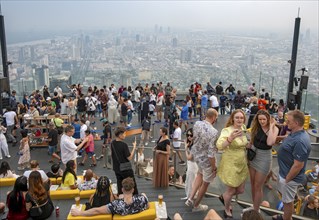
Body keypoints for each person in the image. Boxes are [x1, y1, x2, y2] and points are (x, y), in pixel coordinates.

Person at [275, 110, 311, 220]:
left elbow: (298, 165)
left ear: (296, 123)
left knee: (287, 202)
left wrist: (287, 179)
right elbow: (287, 138)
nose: (286, 123)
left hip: (290, 178)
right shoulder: (294, 133)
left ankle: (287, 218)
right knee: (286, 199)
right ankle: (285, 216)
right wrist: (277, 138)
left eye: (288, 121)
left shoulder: (300, 141)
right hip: (285, 174)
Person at [216, 109, 249, 218]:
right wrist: (230, 139)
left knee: (240, 190)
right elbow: (220, 146)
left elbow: (244, 143)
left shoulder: (243, 128)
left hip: (242, 162)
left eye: (241, 118)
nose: (239, 120)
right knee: (231, 190)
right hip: (231, 163)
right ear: (233, 119)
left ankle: (224, 196)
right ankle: (226, 209)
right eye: (237, 117)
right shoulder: (227, 131)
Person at [185, 108, 218, 212]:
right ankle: (196, 206)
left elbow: (195, 139)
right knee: (205, 183)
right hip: (206, 161)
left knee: (199, 175)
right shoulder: (214, 132)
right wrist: (214, 167)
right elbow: (211, 153)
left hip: (197, 157)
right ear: (214, 118)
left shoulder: (197, 124)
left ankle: (190, 198)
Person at [246, 110, 278, 213]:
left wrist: (272, 126)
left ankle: (256, 209)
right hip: (254, 155)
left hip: (264, 158)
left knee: (258, 185)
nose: (262, 121)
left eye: (264, 119)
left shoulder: (274, 129)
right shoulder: (256, 127)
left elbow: (270, 142)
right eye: (260, 119)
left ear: (268, 119)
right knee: (252, 184)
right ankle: (254, 205)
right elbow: (251, 141)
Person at [71, 177, 149, 217]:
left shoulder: (116, 205)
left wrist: (80, 213)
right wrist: (142, 195)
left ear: (122, 189)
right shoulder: (141, 199)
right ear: (133, 189)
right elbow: (147, 203)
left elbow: (97, 211)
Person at [111, 127, 138, 195]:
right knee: (131, 184)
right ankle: (135, 198)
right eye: (124, 134)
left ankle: (121, 199)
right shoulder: (124, 145)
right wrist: (134, 147)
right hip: (125, 169)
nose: (125, 135)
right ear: (120, 135)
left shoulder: (112, 143)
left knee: (120, 184)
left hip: (117, 168)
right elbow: (129, 158)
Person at [184, 128, 198, 200]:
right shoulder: (191, 144)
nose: (189, 137)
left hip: (192, 165)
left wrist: (185, 148)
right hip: (191, 165)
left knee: (191, 182)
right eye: (187, 135)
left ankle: (191, 197)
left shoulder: (194, 146)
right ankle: (190, 196)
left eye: (191, 135)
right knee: (189, 181)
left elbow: (189, 157)